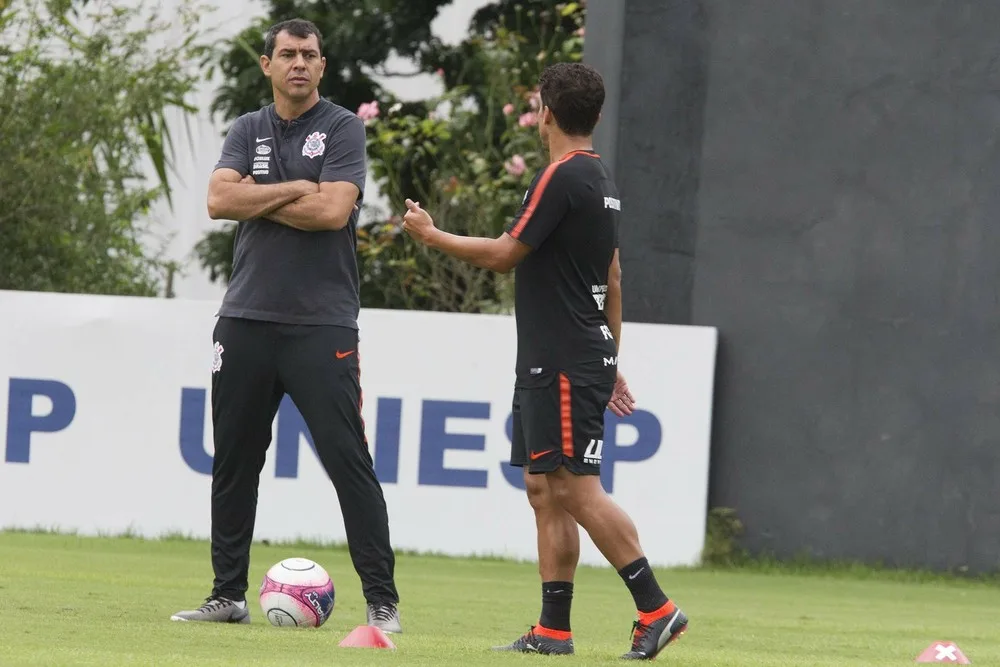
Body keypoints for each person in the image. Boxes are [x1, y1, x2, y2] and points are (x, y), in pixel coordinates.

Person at [400, 62, 686, 659]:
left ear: (544, 112)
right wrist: (609, 356)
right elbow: (611, 275)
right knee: (543, 487)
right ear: (597, 116)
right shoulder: (599, 178)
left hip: (560, 359)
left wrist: (433, 236)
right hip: (564, 356)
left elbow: (506, 255)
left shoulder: (561, 177)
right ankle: (553, 630)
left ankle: (657, 608)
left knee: (575, 488)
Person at [170, 18, 402, 633]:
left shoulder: (343, 126)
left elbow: (332, 212)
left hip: (321, 325)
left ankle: (382, 601)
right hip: (244, 319)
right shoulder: (248, 127)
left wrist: (265, 190)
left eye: (309, 55)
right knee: (235, 462)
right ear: (268, 65)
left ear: (322, 66)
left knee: (348, 461)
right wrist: (298, 187)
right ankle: (227, 595)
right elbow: (219, 202)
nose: (298, 63)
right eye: (287, 54)